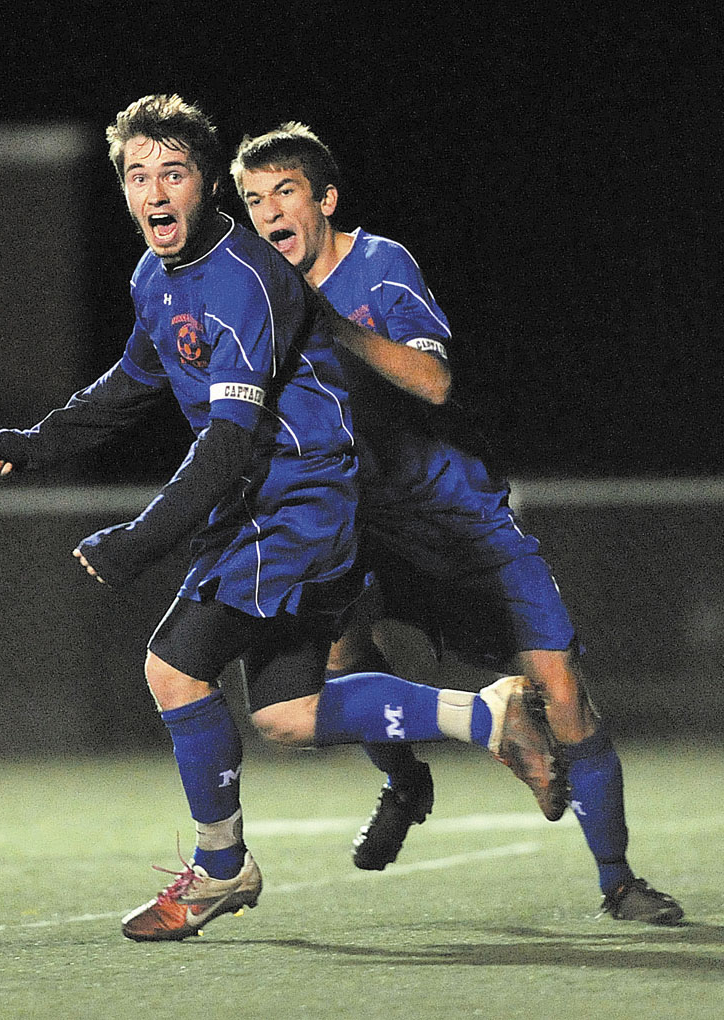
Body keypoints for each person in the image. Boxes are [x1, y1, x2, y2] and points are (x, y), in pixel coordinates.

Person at [0, 94, 562, 942]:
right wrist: (35, 443)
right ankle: (484, 714)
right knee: (287, 714)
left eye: (172, 172)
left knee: (172, 671)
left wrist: (140, 542)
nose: (154, 190)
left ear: (207, 182)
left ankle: (220, 871)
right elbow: (133, 380)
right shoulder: (155, 275)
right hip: (284, 506)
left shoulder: (243, 280)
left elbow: (224, 445)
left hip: (294, 504)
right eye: (137, 175)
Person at [228, 122, 683, 924]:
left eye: (285, 192)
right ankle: (406, 781)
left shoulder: (379, 264)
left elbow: (434, 382)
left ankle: (618, 881)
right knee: (337, 659)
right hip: (352, 522)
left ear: (325, 200)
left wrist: (330, 324)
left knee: (564, 690)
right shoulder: (257, 297)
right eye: (254, 199)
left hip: (452, 515)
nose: (268, 213)